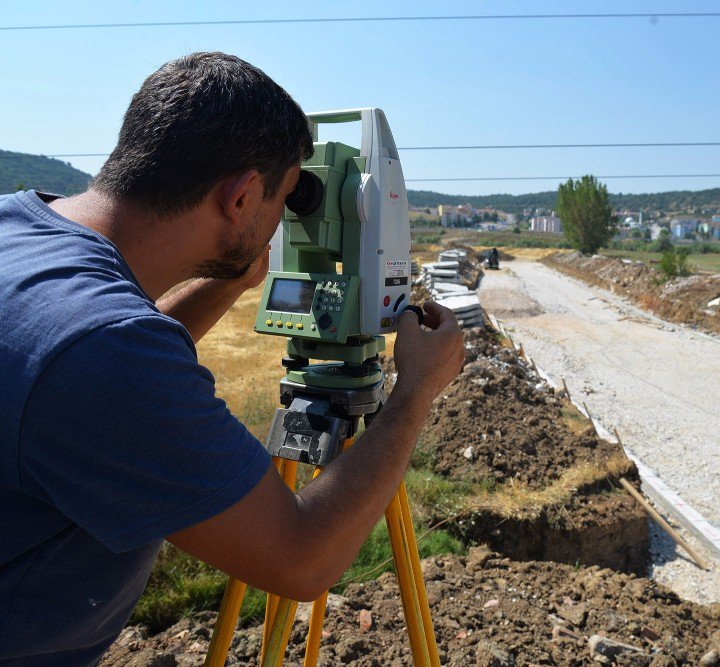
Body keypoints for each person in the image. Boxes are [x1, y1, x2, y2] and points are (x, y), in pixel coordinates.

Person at [0, 52, 465, 665]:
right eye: (285, 198)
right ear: (243, 195)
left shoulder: (21, 229)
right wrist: (414, 392)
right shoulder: (106, 351)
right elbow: (302, 558)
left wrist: (225, 282)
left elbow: (81, 368)